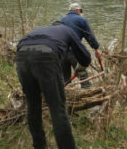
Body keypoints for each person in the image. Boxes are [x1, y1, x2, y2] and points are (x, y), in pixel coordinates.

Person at [16, 21, 91, 149]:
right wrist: (81, 66)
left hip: (21, 56)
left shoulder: (40, 28)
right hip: (46, 54)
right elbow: (85, 56)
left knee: (33, 105)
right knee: (57, 108)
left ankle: (39, 145)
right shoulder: (67, 30)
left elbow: (20, 47)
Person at [60, 2, 100, 89]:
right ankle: (86, 92)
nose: (80, 13)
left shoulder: (62, 20)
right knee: (83, 74)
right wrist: (96, 48)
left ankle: (66, 96)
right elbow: (89, 36)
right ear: (78, 10)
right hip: (74, 52)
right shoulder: (81, 20)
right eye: (80, 11)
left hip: (61, 52)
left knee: (65, 78)